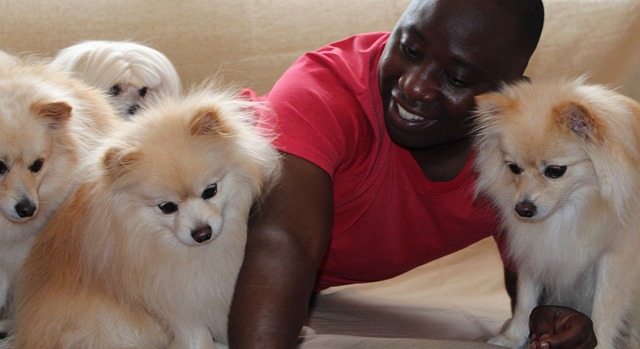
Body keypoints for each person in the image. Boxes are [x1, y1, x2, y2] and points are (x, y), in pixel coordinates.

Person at [229, 0, 598, 348]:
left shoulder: (518, 153)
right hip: (195, 233)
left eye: (456, 78)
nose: (414, 86)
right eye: (409, 50)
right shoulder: (325, 88)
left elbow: (534, 268)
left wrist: (551, 318)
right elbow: (282, 238)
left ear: (510, 95)